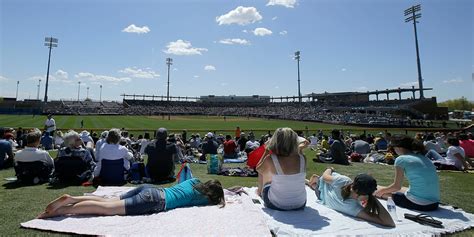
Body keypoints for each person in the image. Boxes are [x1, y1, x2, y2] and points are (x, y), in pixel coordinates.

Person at [38, 178, 225, 218]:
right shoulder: (203, 198)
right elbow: (218, 200)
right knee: (105, 210)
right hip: (154, 201)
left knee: (108, 201)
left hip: (151, 189)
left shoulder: (193, 181)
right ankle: (64, 210)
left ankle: (72, 198)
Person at [307, 170, 395, 227]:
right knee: (317, 184)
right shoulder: (353, 208)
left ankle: (313, 180)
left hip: (322, 190)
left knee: (316, 185)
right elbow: (389, 222)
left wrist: (330, 168)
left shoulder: (344, 181)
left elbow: (325, 175)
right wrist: (374, 198)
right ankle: (314, 180)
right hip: (323, 191)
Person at [375, 135, 440, 211]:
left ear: (398, 147)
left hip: (420, 204)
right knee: (402, 189)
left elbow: (396, 187)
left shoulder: (401, 159)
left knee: (375, 191)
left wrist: (380, 191)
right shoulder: (424, 157)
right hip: (434, 204)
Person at [257, 127, 307, 211]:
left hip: (277, 204)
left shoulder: (271, 159)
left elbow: (258, 169)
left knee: (266, 175)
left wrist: (266, 151)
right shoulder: (303, 158)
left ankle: (259, 192)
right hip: (300, 203)